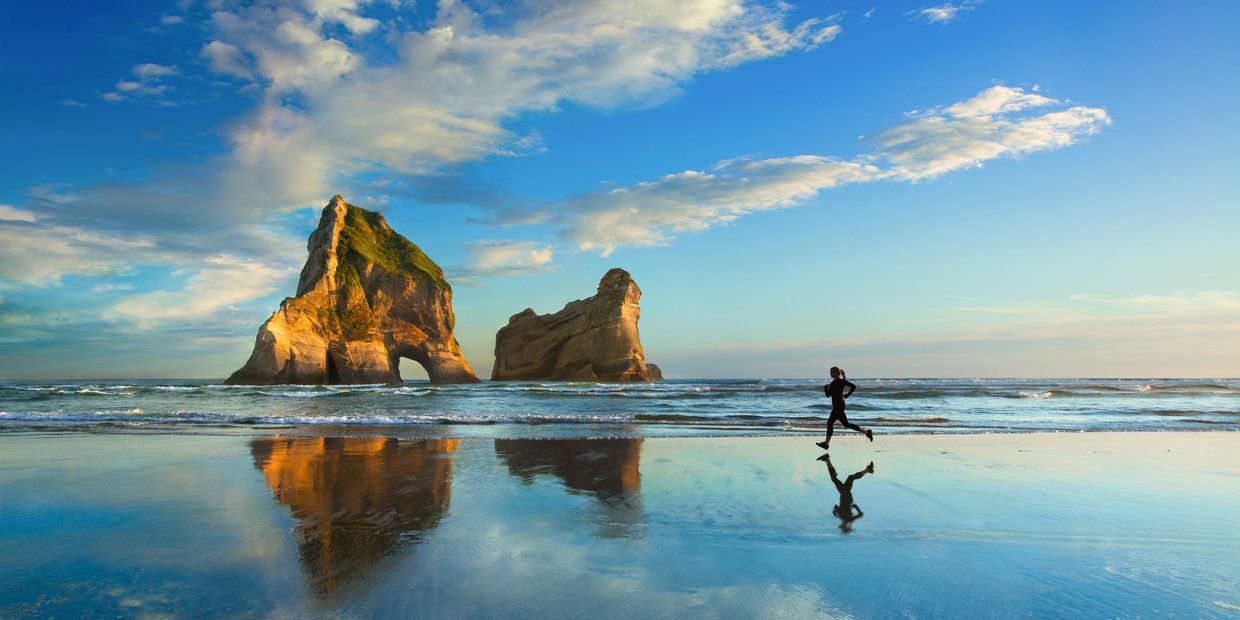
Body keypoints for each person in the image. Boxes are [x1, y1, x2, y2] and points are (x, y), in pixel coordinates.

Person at [816, 366, 872, 450]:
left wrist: (847, 395)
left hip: (839, 405)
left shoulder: (841, 381)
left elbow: (853, 386)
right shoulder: (832, 383)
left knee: (830, 422)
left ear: (836, 373)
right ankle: (867, 432)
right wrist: (826, 389)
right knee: (846, 424)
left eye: (831, 372)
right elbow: (828, 395)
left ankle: (826, 443)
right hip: (836, 406)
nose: (830, 374)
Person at [818, 453, 874, 534]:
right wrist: (855, 506)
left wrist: (835, 510)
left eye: (842, 527)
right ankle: (827, 459)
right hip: (846, 496)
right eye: (844, 527)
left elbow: (838, 511)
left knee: (847, 478)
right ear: (847, 526)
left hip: (844, 496)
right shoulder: (849, 520)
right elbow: (860, 514)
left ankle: (868, 470)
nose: (842, 526)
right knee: (838, 479)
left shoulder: (843, 519)